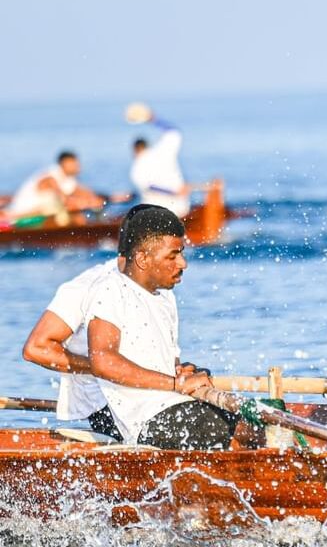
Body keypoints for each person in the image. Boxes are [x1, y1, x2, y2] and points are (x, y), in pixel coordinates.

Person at [87, 206, 236, 448]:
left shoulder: (165, 297)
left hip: (169, 403)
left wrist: (182, 371)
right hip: (142, 420)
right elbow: (103, 361)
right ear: (143, 259)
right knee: (225, 426)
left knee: (236, 418)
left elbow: (165, 365)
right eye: (173, 256)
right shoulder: (111, 290)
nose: (183, 263)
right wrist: (176, 384)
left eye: (182, 253)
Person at [21, 205, 162, 440]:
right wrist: (105, 367)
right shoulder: (87, 286)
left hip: (148, 397)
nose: (181, 263)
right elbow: (37, 349)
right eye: (172, 252)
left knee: (236, 426)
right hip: (107, 406)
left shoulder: (159, 289)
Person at [129, 105, 203, 218]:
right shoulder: (162, 151)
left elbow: (149, 186)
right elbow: (174, 132)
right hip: (181, 208)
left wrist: (173, 192)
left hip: (156, 213)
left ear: (135, 151)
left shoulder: (136, 168)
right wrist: (152, 118)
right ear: (147, 146)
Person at [3, 151, 107, 223]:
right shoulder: (50, 177)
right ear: (64, 164)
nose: (78, 166)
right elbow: (65, 199)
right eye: (74, 163)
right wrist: (86, 203)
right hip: (20, 215)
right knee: (70, 209)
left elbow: (83, 192)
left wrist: (97, 200)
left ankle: (90, 228)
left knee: (76, 210)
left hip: (41, 213)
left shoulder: (69, 180)